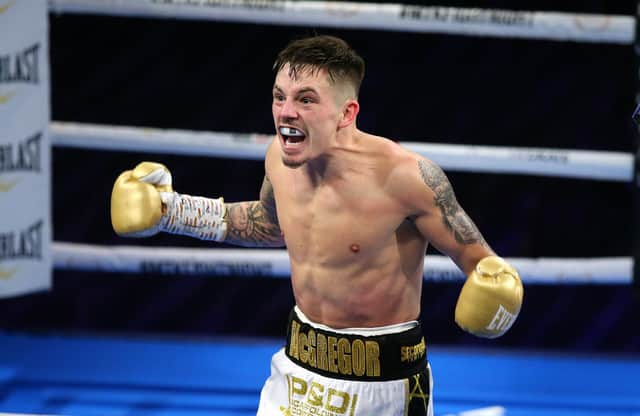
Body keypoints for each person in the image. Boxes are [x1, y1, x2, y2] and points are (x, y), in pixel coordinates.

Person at [110, 35, 523, 416]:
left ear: (347, 112)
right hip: (297, 368)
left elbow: (482, 263)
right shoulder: (279, 157)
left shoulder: (407, 178)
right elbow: (271, 224)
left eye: (306, 100)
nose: (286, 112)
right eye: (279, 97)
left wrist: (497, 287)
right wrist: (174, 212)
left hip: (382, 383)